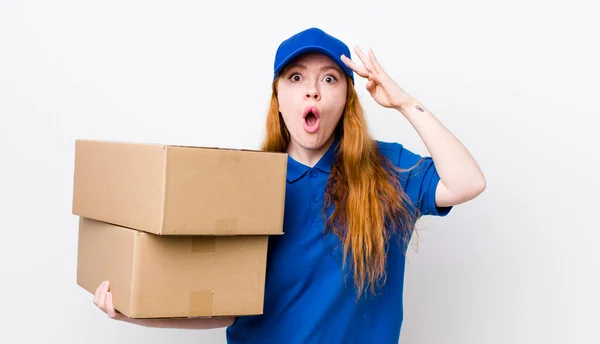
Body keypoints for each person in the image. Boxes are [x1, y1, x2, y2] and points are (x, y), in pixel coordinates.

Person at [93, 27, 486, 343]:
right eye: (296, 78)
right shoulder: (245, 183)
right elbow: (225, 307)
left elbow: (467, 182)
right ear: (278, 98)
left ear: (347, 98)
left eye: (329, 79)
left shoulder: (387, 169)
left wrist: (403, 102)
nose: (312, 90)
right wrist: (138, 312)